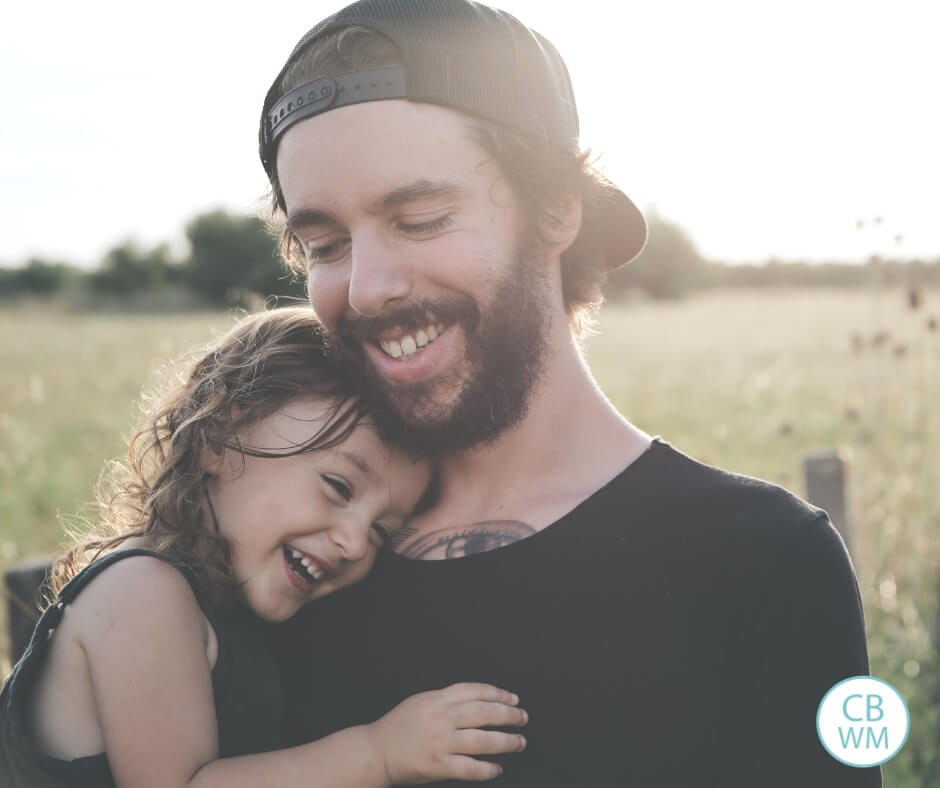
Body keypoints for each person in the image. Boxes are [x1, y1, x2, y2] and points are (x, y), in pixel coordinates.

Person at [259, 1, 881, 785]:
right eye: (325, 245)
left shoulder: (764, 563)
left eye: (419, 219)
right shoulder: (293, 557)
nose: (369, 287)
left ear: (556, 211)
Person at [0, 307, 529, 787]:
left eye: (379, 533)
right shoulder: (141, 593)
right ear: (218, 436)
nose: (352, 542)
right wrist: (379, 754)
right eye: (339, 487)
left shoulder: (225, 610)